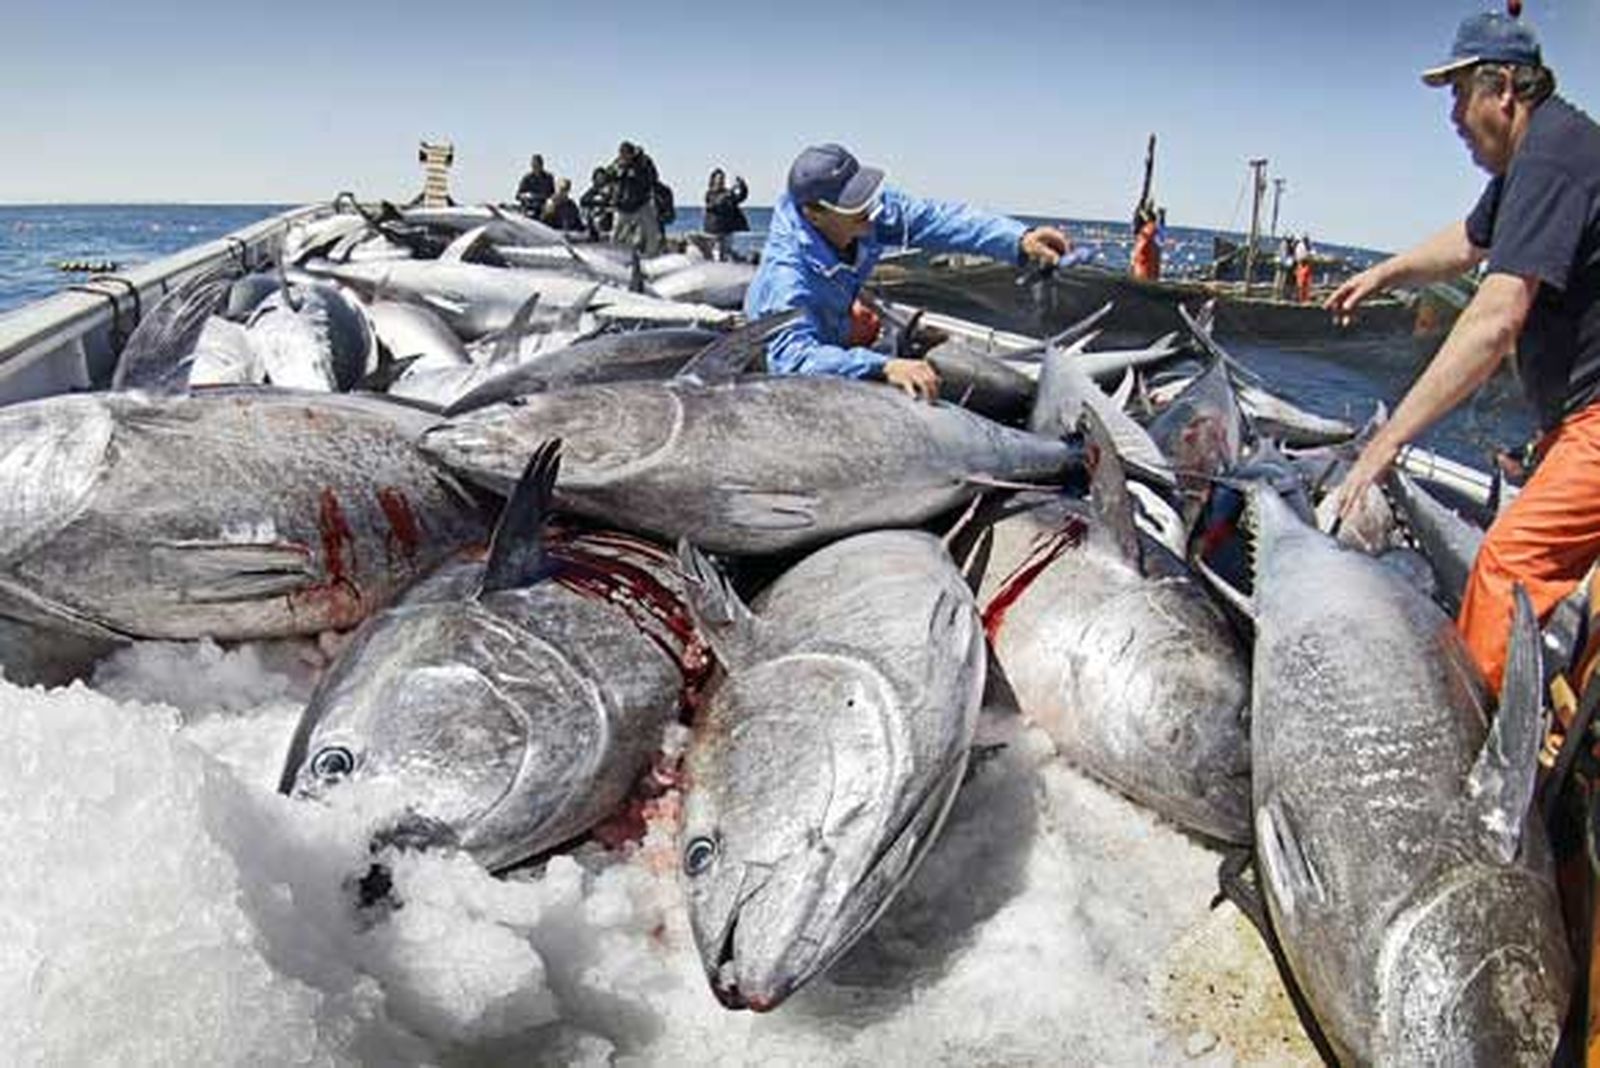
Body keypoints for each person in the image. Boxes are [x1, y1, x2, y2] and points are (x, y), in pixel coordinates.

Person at [1328, 10, 1600, 695]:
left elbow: (1494, 319)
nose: (1452, 116)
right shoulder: (1538, 159)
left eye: (1459, 94)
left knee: (1507, 567)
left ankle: (1465, 767)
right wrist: (1388, 272)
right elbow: (1471, 240)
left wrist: (1388, 441)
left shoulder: (1555, 155)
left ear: (1503, 87)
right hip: (1572, 424)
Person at [744, 142, 1070, 399]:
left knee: (865, 326)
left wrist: (1018, 239)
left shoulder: (865, 210)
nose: (871, 210)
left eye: (865, 194)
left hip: (835, 317)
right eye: (854, 204)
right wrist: (884, 366)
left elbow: (936, 219)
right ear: (814, 215)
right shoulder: (786, 279)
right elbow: (792, 360)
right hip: (778, 354)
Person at [610, 141, 662, 256]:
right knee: (615, 235)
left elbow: (653, 179)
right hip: (622, 206)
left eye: (626, 155)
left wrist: (637, 173)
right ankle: (614, 256)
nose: (624, 157)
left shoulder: (644, 163)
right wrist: (618, 173)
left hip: (641, 204)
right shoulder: (617, 164)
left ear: (632, 154)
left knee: (652, 232)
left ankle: (651, 256)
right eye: (621, 155)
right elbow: (608, 177)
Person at [704, 168, 750, 261]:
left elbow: (740, 198)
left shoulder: (728, 193)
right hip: (714, 230)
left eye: (722, 178)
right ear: (714, 180)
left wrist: (742, 186)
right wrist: (728, 194)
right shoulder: (710, 193)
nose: (721, 181)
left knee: (726, 252)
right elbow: (714, 204)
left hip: (727, 229)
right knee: (717, 253)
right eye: (719, 178)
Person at [579, 165, 615, 239]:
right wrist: (597, 202)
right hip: (595, 218)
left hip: (608, 220)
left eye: (602, 177)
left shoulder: (611, 189)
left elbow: (613, 203)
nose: (600, 179)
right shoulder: (594, 190)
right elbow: (583, 200)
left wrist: (606, 205)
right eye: (598, 177)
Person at [1130, 203, 1160, 281]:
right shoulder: (1143, 236)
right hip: (1143, 275)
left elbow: (1152, 227)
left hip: (1145, 276)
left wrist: (1144, 215)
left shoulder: (1147, 232)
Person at [1293, 232, 1315, 302]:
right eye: (1305, 239)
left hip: (1307, 264)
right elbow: (1299, 256)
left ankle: (1305, 298)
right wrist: (1307, 256)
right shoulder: (1300, 246)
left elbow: (1313, 253)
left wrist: (1310, 256)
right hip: (1302, 264)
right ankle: (1300, 298)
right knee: (1301, 283)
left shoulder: (1309, 245)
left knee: (1307, 282)